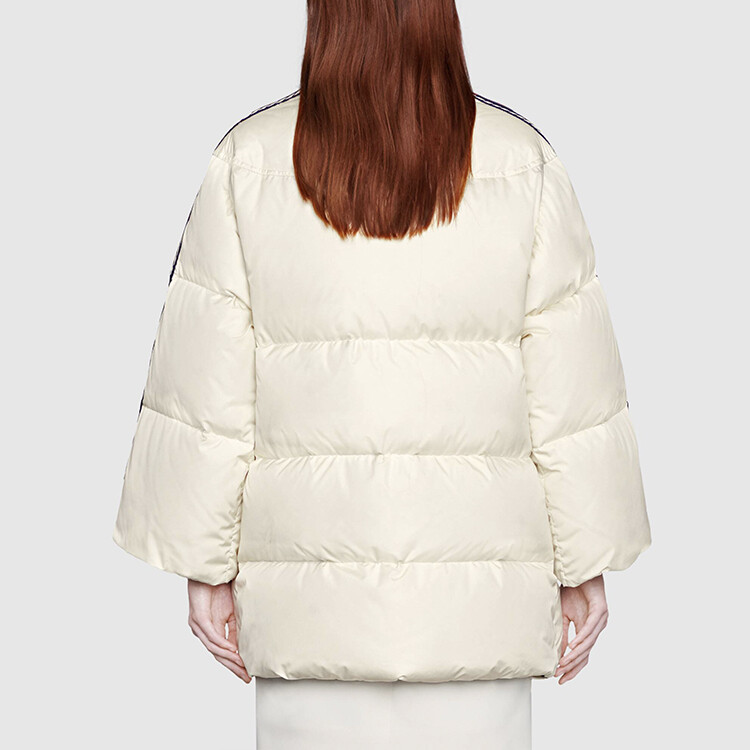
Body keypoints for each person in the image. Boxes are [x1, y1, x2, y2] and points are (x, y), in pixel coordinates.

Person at [113, 1, 652, 747]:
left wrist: (201, 564)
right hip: (477, 612)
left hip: (308, 610)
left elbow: (208, 390)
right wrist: (587, 560)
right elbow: (572, 396)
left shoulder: (250, 163)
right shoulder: (521, 163)